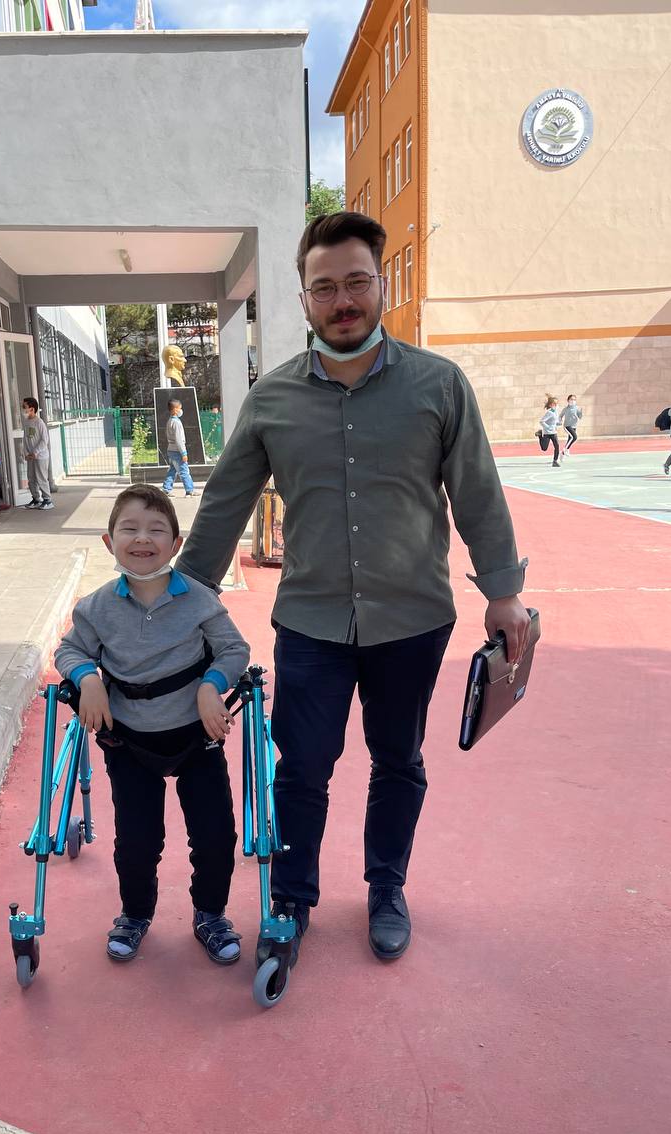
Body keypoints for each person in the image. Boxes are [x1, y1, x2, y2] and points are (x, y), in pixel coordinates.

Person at [175, 212, 530, 966]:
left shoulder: (439, 385)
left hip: (413, 620)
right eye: (325, 287)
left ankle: (386, 887)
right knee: (302, 766)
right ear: (304, 298)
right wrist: (184, 601)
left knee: (398, 760)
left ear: (381, 283)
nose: (343, 301)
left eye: (357, 282)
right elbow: (225, 504)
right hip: (311, 624)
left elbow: (478, 493)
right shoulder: (272, 398)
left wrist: (502, 592)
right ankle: (292, 900)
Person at [54, 485, 250, 964]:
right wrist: (87, 678)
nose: (142, 539)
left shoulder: (200, 600)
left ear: (175, 544)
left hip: (197, 736)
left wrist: (211, 686)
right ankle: (135, 914)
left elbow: (234, 649)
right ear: (109, 542)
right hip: (129, 741)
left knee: (215, 835)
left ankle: (210, 914)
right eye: (130, 529)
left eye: (156, 530)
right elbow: (70, 650)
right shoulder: (95, 607)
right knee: (138, 841)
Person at [21, 397, 53, 510]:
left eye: (24, 407)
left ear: (32, 409)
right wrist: (26, 453)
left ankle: (47, 500)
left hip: (41, 456)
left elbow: (45, 440)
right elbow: (25, 439)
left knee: (41, 478)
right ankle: (36, 499)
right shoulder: (26, 422)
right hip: (30, 456)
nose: (23, 409)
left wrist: (36, 452)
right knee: (31, 478)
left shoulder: (39, 422)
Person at [161, 397, 194, 497]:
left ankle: (166, 489)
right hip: (177, 451)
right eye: (180, 408)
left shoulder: (170, 421)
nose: (181, 410)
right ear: (175, 410)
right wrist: (183, 453)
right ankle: (189, 490)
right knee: (184, 470)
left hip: (171, 450)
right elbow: (179, 439)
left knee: (172, 470)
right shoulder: (176, 422)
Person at [536, 395, 561, 466]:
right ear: (550, 405)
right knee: (544, 448)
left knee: (557, 446)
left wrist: (558, 423)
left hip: (554, 432)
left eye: (557, 403)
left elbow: (554, 421)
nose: (556, 405)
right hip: (547, 432)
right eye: (554, 404)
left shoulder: (556, 412)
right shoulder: (549, 413)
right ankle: (540, 435)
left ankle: (555, 461)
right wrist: (548, 427)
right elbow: (542, 421)